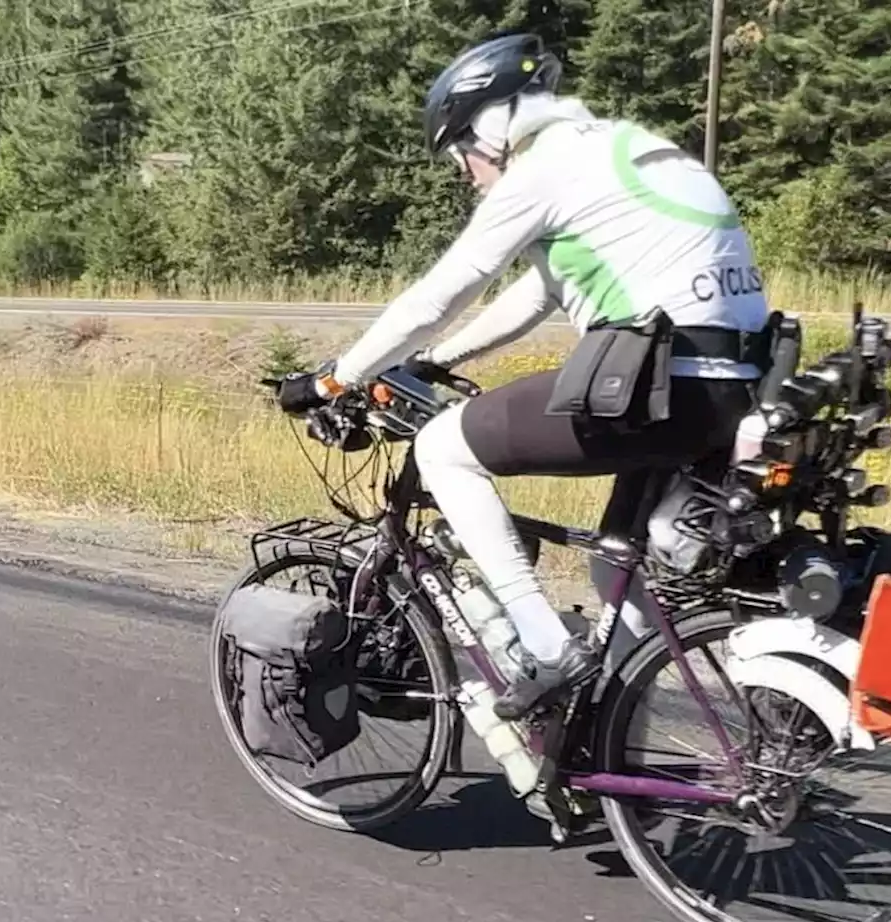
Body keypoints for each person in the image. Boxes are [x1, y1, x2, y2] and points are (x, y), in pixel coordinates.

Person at [303, 32, 771, 723]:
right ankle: (603, 742)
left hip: (663, 388)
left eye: (460, 149)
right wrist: (440, 360)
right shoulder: (619, 147)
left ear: (491, 125)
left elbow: (438, 296)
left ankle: (546, 644)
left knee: (440, 447)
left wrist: (332, 380)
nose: (464, 171)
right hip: (736, 391)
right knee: (618, 570)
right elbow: (538, 294)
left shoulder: (544, 167)